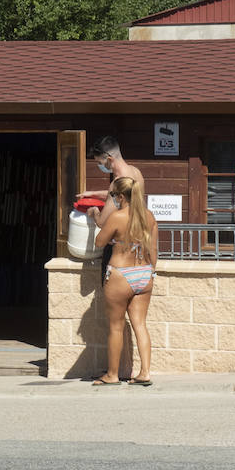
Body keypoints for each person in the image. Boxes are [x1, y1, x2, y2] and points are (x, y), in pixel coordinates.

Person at [87, 176, 158, 386]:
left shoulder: (117, 217)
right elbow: (153, 250)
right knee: (140, 325)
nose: (114, 199)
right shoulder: (149, 216)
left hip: (121, 274)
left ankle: (112, 375)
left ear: (120, 196)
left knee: (116, 327)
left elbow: (99, 242)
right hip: (144, 273)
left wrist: (97, 222)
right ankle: (144, 373)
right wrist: (152, 272)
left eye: (113, 196)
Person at [77, 135, 145, 228]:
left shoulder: (118, 183)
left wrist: (94, 211)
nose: (99, 166)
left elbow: (102, 222)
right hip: (137, 232)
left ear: (109, 159)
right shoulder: (136, 172)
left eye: (100, 163)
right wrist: (93, 193)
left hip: (122, 237)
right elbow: (123, 195)